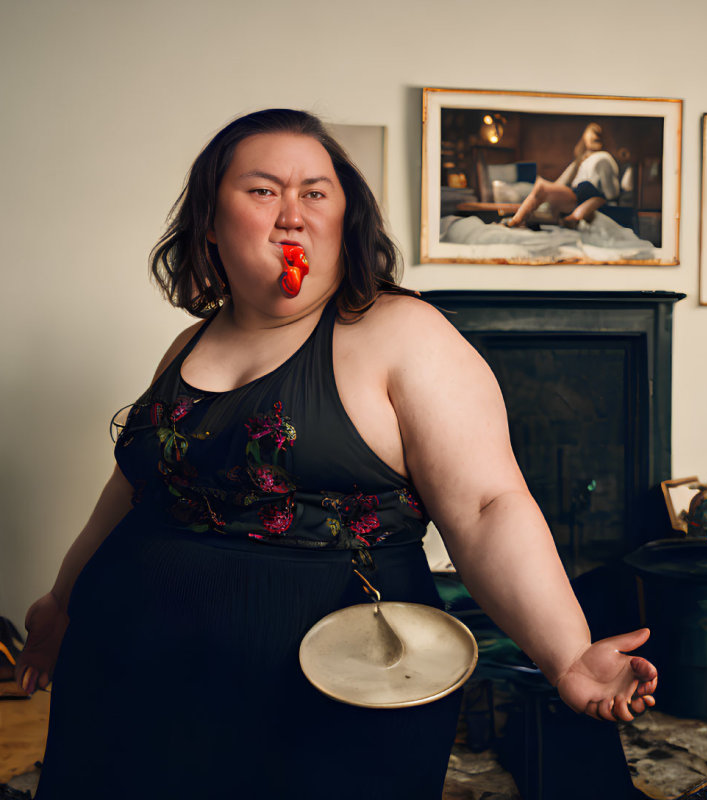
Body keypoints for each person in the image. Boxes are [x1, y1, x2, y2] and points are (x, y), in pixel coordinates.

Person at [14, 109, 656, 799]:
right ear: (209, 219)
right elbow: (133, 490)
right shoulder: (189, 345)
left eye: (314, 192)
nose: (292, 213)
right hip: (127, 680)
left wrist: (565, 653)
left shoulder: (403, 334)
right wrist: (61, 600)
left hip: (326, 703)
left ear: (344, 219)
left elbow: (487, 506)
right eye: (263, 190)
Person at [504, 122, 620, 228]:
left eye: (597, 136)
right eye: (591, 134)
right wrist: (548, 194)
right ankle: (517, 220)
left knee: (542, 189)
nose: (595, 137)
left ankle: (518, 221)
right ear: (584, 137)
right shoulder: (579, 161)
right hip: (576, 193)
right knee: (541, 187)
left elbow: (611, 193)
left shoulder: (604, 158)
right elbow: (561, 182)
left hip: (592, 194)